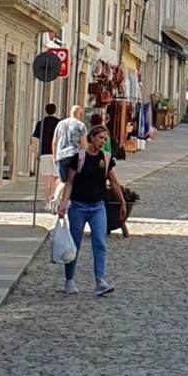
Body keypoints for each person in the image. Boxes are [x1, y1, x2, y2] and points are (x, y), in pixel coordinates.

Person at [57, 124, 125, 297]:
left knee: (100, 242)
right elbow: (69, 183)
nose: (102, 142)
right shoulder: (79, 157)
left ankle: (100, 281)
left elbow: (114, 183)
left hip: (98, 207)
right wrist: (63, 203)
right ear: (92, 137)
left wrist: (122, 202)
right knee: (74, 244)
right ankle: (69, 280)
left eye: (105, 139)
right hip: (78, 207)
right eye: (100, 138)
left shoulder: (106, 159)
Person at [51, 104, 88, 206]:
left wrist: (54, 157)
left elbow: (54, 141)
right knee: (74, 181)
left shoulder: (60, 124)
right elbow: (83, 144)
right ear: (80, 114)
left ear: (70, 112)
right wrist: (85, 157)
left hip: (61, 155)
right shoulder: (81, 125)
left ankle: (56, 198)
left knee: (63, 181)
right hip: (74, 155)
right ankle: (72, 202)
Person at [30, 103, 60, 207]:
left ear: (45, 111)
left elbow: (34, 140)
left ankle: (47, 203)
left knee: (46, 180)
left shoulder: (40, 123)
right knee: (57, 178)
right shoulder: (59, 123)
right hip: (56, 154)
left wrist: (35, 153)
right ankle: (55, 197)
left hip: (44, 153)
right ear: (55, 111)